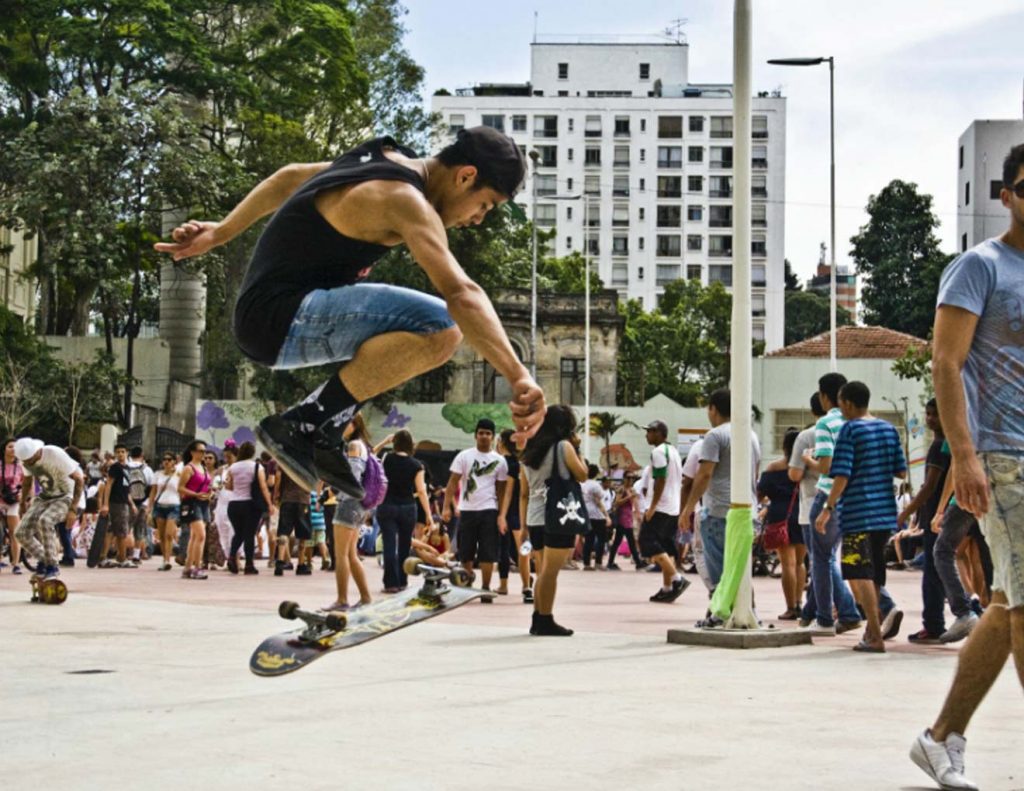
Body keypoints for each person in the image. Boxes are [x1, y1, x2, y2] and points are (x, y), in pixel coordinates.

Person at [154, 127, 546, 498]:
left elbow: (290, 178)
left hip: (273, 315)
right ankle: (304, 424)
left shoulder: (384, 157)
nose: (478, 219)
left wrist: (220, 232)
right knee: (443, 326)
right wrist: (519, 375)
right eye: (485, 205)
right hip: (281, 318)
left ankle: (323, 428)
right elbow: (462, 293)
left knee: (435, 329)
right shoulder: (404, 200)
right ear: (466, 176)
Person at [911, 143, 1024, 791]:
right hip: (1005, 458)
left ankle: (939, 737)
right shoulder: (979, 267)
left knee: (1007, 601)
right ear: (1004, 194)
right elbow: (946, 363)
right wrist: (965, 455)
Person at [816, 381, 907, 652]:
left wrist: (827, 508)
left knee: (860, 572)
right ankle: (871, 631)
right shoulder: (889, 429)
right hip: (885, 515)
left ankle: (876, 635)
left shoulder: (850, 430)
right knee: (876, 573)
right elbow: (901, 472)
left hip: (858, 513)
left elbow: (841, 474)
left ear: (846, 403)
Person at [799, 373, 866, 636]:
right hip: (855, 497)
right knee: (852, 558)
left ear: (826, 397)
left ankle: (825, 618)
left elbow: (827, 467)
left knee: (821, 560)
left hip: (828, 495)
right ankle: (854, 611)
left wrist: (809, 460)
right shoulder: (860, 422)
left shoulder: (826, 423)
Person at [681, 392, 761, 594]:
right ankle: (746, 610)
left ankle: (720, 613)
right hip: (746, 512)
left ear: (713, 408)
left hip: (719, 512)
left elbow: (704, 474)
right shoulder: (750, 435)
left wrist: (688, 509)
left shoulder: (714, 436)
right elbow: (756, 472)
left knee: (719, 570)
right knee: (739, 571)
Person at [519, 405, 588, 635]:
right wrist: (578, 449)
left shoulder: (530, 450)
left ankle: (538, 617)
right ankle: (546, 619)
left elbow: (524, 492)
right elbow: (582, 474)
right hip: (558, 514)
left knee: (542, 570)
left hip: (535, 515)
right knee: (550, 571)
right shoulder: (564, 447)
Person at [897, 399, 953, 643]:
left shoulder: (940, 447)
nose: (930, 419)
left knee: (932, 570)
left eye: (935, 415)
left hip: (937, 518)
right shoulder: (949, 446)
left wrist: (906, 511)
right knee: (940, 567)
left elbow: (929, 486)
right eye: (928, 414)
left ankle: (934, 624)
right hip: (940, 516)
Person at [443, 419, 508, 595]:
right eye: (481, 433)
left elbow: (502, 491)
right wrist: (446, 507)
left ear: (493, 437)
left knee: (488, 551)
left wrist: (502, 514)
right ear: (475, 435)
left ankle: (486, 587)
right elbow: (451, 483)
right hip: (467, 510)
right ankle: (468, 581)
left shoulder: (500, 461)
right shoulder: (464, 456)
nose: (484, 436)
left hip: (489, 510)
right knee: (466, 551)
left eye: (488, 433)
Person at [12, 438, 83, 581]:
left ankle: (52, 566)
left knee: (45, 520)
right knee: (20, 532)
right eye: (26, 462)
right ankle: (44, 560)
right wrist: (22, 504)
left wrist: (73, 510)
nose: (29, 465)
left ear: (37, 452)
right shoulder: (26, 459)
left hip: (65, 496)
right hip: (44, 497)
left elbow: (79, 479)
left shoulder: (54, 454)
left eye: (31, 461)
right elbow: (27, 482)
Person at [636, 420, 689, 603]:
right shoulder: (673, 450)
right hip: (672, 507)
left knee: (647, 542)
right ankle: (667, 588)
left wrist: (651, 507)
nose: (646, 435)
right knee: (666, 547)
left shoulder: (658, 452)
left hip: (661, 507)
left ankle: (677, 579)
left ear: (659, 433)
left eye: (649, 431)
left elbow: (660, 480)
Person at [327, 415, 373, 611]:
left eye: (345, 423)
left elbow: (353, 476)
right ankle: (365, 597)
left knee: (341, 554)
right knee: (352, 554)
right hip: (360, 504)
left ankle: (342, 599)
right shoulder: (363, 445)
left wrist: (335, 484)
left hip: (349, 502)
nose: (340, 427)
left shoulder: (354, 446)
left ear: (354, 425)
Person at [757, 429, 804, 619]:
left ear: (784, 446)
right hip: (802, 514)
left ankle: (790, 607)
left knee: (787, 565)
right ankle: (800, 604)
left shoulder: (773, 468)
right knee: (800, 563)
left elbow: (760, 494)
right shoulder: (805, 470)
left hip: (780, 516)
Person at [377, 428, 430, 593]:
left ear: (395, 443)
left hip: (387, 505)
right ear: (410, 445)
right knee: (405, 545)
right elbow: (421, 491)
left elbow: (369, 455)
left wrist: (384, 442)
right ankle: (402, 581)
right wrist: (429, 515)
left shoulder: (386, 458)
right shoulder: (417, 465)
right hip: (408, 507)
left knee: (389, 544)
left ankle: (390, 583)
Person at [789, 393, 826, 626]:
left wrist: (808, 463)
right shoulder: (845, 428)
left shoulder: (808, 435)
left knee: (821, 562)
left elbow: (794, 473)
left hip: (812, 502)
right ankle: (811, 610)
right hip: (842, 502)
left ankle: (848, 609)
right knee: (826, 561)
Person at [225, 441, 275, 575]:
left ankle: (231, 556)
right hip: (250, 505)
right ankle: (249, 564)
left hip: (234, 504)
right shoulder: (257, 467)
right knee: (249, 534)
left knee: (239, 533)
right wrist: (269, 504)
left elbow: (229, 486)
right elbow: (263, 487)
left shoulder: (233, 467)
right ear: (252, 453)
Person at [496, 428, 531, 599]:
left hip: (511, 512)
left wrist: (501, 514)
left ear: (501, 443)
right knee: (524, 551)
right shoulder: (524, 462)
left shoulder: (504, 463)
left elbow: (507, 493)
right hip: (525, 513)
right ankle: (526, 586)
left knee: (505, 548)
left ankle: (504, 585)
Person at [177, 440, 212, 579]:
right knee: (201, 535)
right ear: (193, 452)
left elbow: (207, 485)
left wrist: (210, 493)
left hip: (203, 503)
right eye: (200, 451)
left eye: (204, 451)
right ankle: (197, 567)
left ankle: (187, 567)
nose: (203, 454)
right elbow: (180, 487)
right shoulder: (188, 468)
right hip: (192, 503)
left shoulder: (203, 467)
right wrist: (196, 494)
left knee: (195, 536)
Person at [99, 444, 137, 568]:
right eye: (118, 452)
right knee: (120, 532)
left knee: (115, 531)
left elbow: (126, 488)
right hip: (116, 502)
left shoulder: (127, 468)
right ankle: (121, 558)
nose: (120, 454)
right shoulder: (115, 467)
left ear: (127, 453)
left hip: (123, 501)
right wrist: (105, 504)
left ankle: (113, 557)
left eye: (123, 451)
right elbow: (108, 485)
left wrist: (131, 504)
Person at [148, 452, 181, 571]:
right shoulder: (157, 474)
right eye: (164, 459)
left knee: (168, 534)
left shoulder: (179, 474)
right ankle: (165, 560)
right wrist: (149, 507)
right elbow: (153, 491)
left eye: (169, 459)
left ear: (174, 462)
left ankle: (168, 559)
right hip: (159, 505)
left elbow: (181, 490)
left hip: (174, 505)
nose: (166, 462)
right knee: (161, 535)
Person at [2, 438, 27, 575]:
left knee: (14, 532)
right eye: (10, 446)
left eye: (15, 447)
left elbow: (26, 484)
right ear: (4, 449)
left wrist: (23, 496)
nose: (13, 449)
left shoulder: (21, 467)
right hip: (0, 501)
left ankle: (16, 563)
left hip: (13, 501)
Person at [608, 472, 642, 570]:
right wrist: (629, 497)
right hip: (622, 518)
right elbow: (617, 502)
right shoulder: (621, 489)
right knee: (627, 541)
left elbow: (635, 503)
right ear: (624, 478)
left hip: (628, 518)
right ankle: (638, 562)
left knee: (622, 541)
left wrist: (638, 513)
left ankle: (611, 562)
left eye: (632, 478)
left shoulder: (631, 489)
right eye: (629, 477)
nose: (631, 480)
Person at [581, 464, 611, 571]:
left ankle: (586, 563)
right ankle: (598, 562)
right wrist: (607, 516)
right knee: (601, 539)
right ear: (596, 473)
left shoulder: (582, 484)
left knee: (588, 539)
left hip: (586, 513)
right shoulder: (596, 486)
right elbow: (598, 502)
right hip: (597, 515)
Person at [126, 446, 153, 564]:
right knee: (139, 529)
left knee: (125, 529)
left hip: (127, 502)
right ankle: (136, 555)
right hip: (142, 502)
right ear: (142, 456)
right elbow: (152, 487)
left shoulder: (126, 468)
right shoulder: (147, 469)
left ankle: (123, 553)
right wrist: (148, 504)